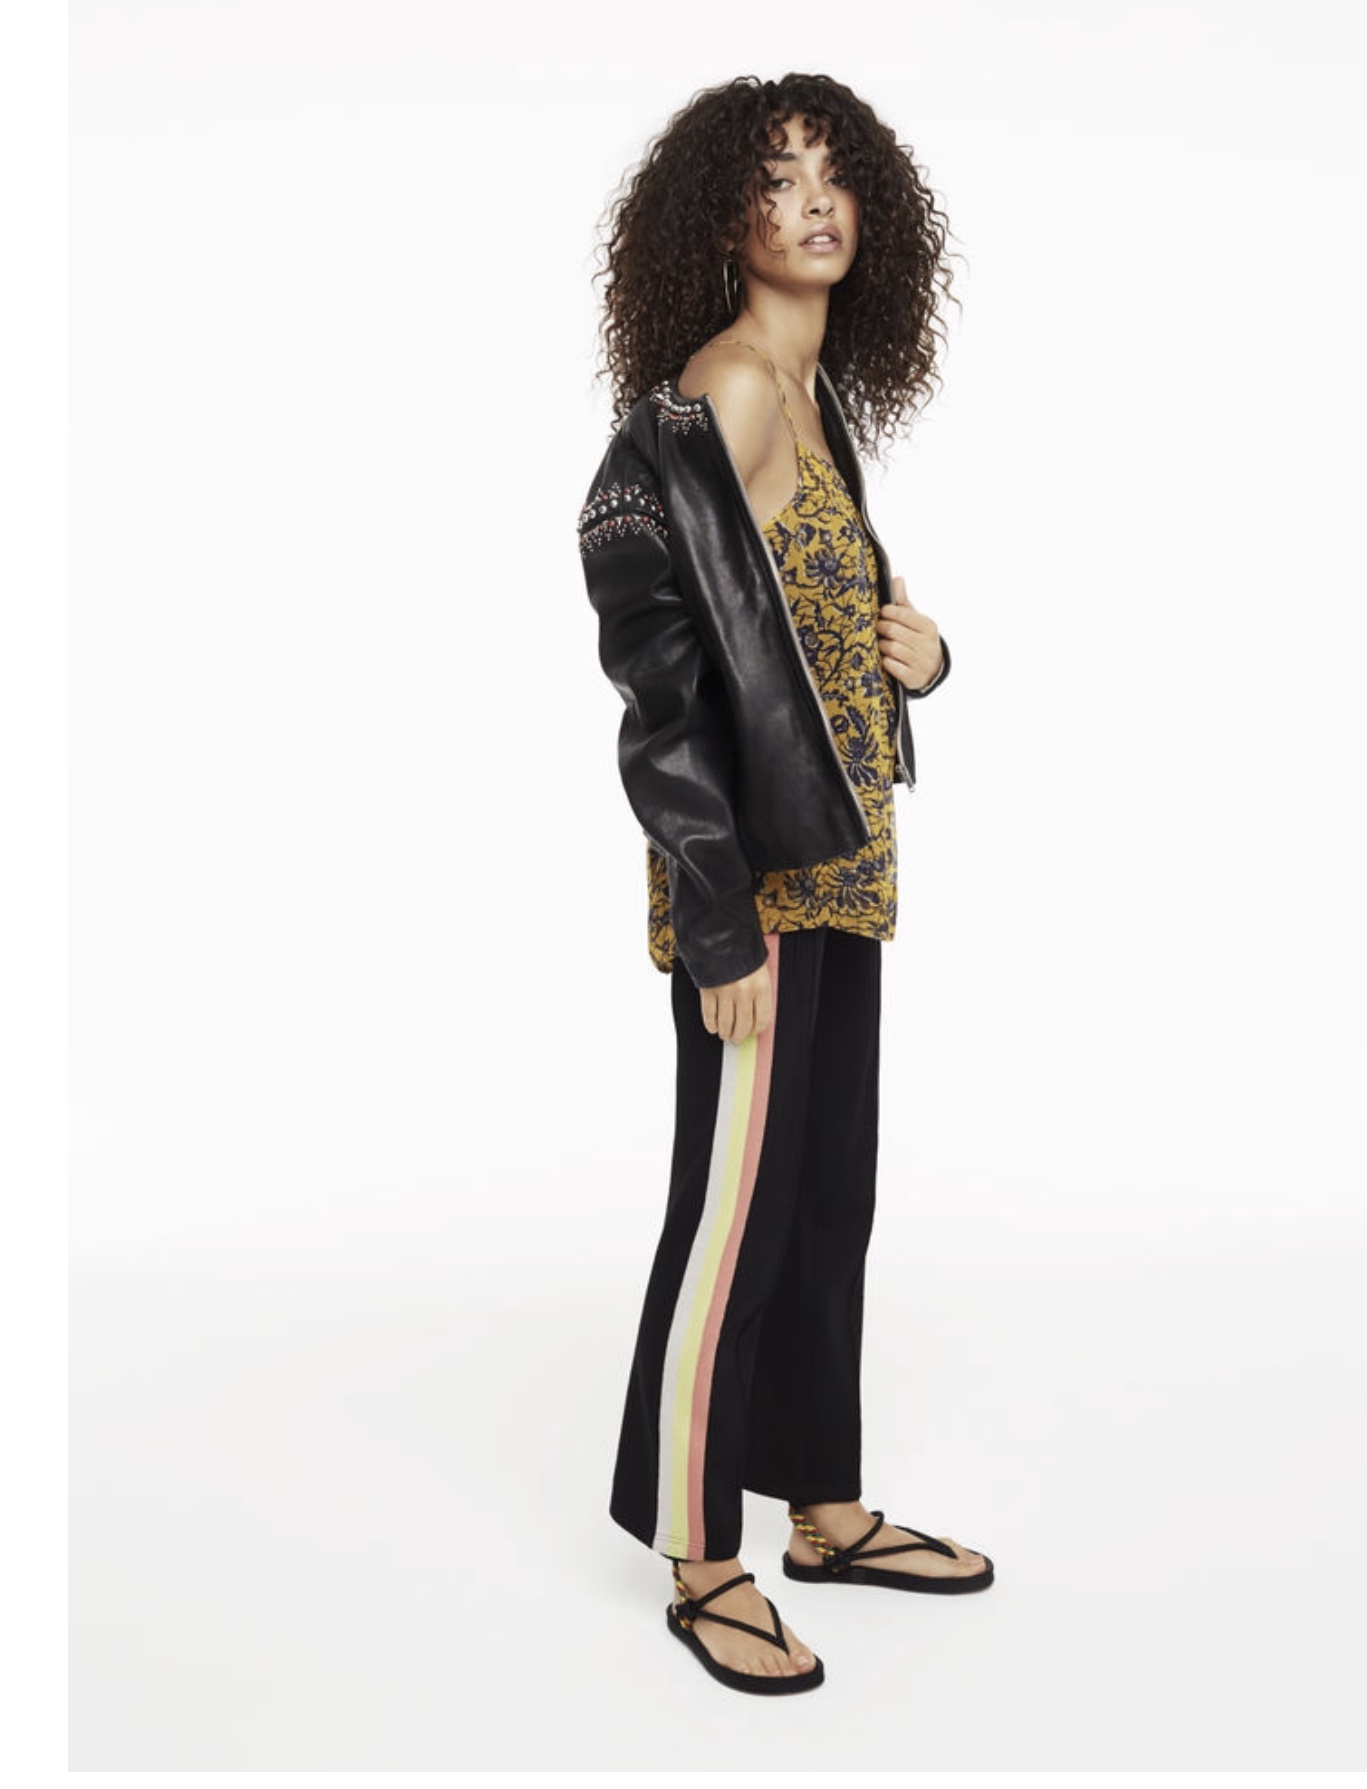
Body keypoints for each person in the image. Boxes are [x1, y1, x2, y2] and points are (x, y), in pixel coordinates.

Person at [576, 72, 992, 1697]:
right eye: (775, 177)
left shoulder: (817, 401)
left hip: (845, 864)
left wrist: (925, 656)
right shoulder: (729, 388)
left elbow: (807, 629)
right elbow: (657, 659)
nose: (812, 202)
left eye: (834, 174)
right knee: (731, 1216)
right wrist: (717, 909)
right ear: (720, 218)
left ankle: (823, 1505)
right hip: (754, 884)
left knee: (825, 1199)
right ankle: (702, 1558)